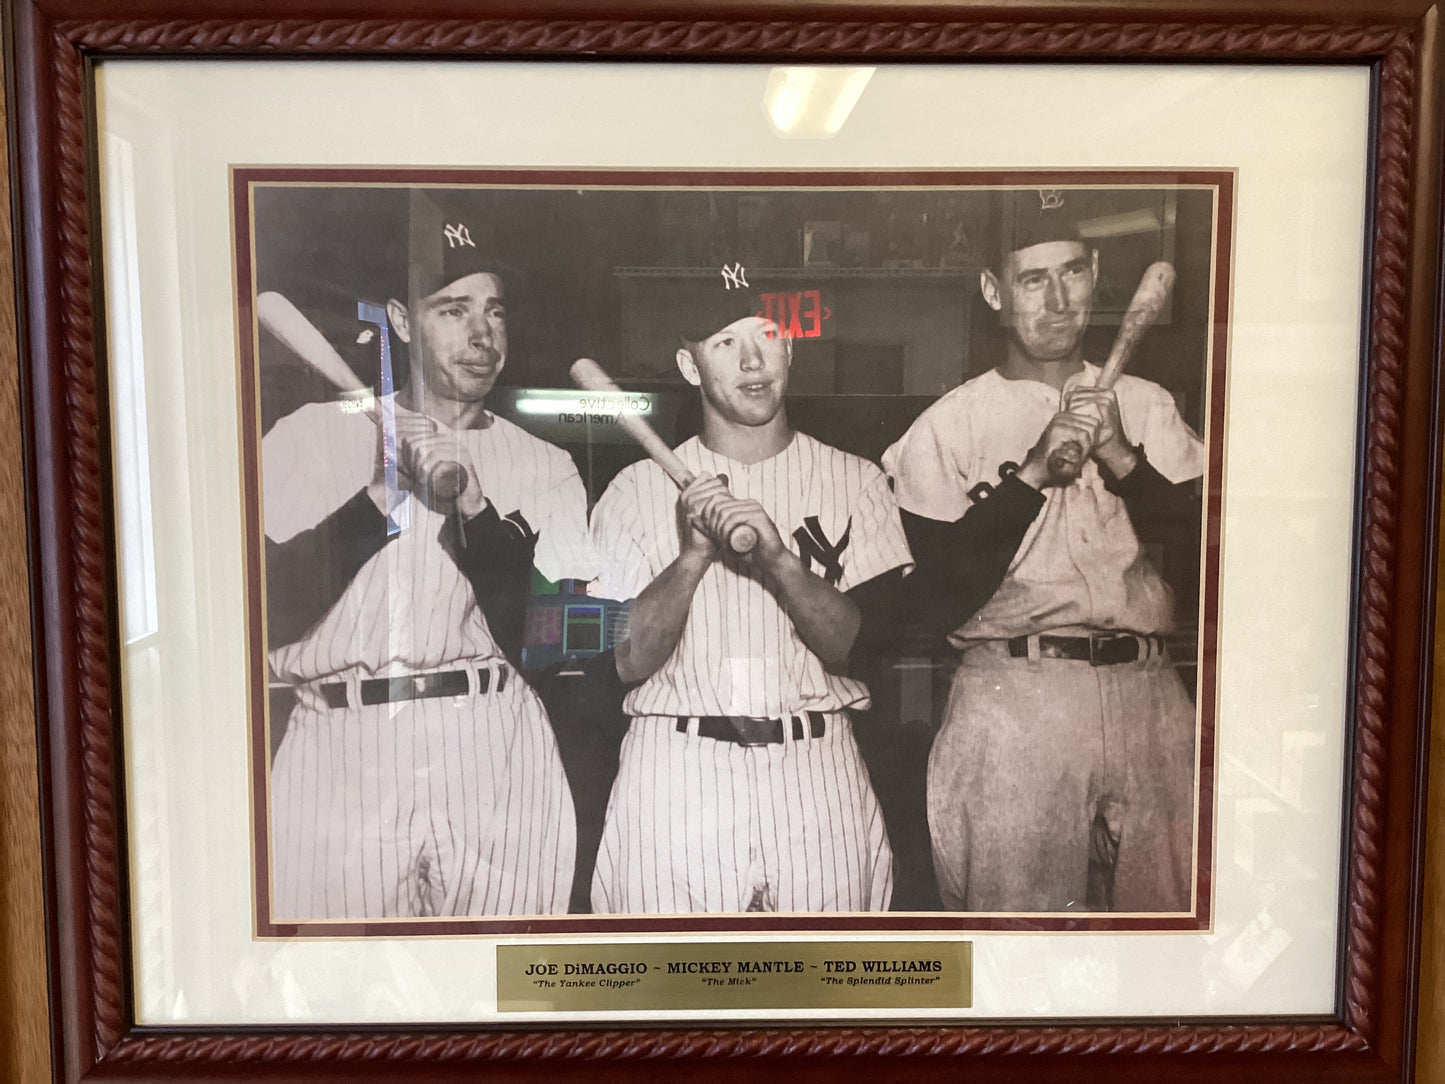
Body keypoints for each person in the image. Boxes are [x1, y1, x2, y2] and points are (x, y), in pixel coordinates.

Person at [261, 204, 597, 920]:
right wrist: (380, 491)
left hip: (495, 741)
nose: (482, 336)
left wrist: (475, 509)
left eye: (495, 312)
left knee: (503, 979)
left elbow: (556, 645)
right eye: (452, 310)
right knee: (335, 982)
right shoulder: (311, 436)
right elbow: (259, 612)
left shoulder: (545, 463)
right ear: (402, 321)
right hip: (341, 744)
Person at [882, 190, 1206, 913]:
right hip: (1013, 698)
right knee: (1019, 950)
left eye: (1073, 273)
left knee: (1168, 941)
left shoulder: (1148, 405)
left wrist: (1123, 459)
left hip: (1150, 693)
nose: (1058, 301)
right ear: (994, 292)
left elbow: (1211, 566)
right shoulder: (947, 426)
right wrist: (1028, 476)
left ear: (1095, 275)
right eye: (1032, 279)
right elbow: (935, 602)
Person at [588, 267, 914, 914]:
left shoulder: (855, 480)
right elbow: (624, 660)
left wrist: (778, 561)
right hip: (676, 766)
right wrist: (691, 558)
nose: (752, 360)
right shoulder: (633, 490)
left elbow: (858, 646)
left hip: (816, 765)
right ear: (690, 366)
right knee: (666, 975)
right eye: (725, 342)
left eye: (767, 334)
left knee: (829, 973)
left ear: (790, 348)